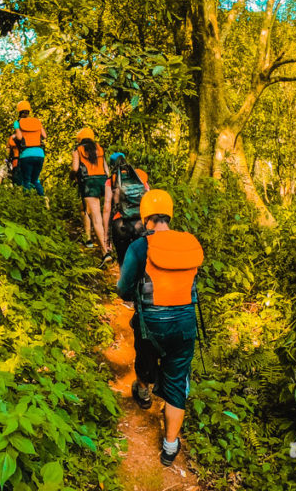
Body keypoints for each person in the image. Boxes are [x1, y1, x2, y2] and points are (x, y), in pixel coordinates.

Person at [116, 189, 204, 467]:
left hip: (151, 324)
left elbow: (123, 288)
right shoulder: (189, 243)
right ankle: (170, 447)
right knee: (177, 381)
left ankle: (143, 392)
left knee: (144, 358)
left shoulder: (140, 247)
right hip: (186, 324)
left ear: (144, 217)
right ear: (170, 214)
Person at [102, 153, 149, 264]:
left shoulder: (111, 180)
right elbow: (149, 200)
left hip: (120, 224)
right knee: (142, 261)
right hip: (140, 223)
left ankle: (125, 279)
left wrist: (106, 237)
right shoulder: (139, 177)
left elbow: (107, 208)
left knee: (123, 263)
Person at [71, 128, 110, 258]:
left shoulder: (78, 150)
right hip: (103, 182)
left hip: (89, 183)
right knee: (96, 210)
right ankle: (94, 240)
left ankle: (105, 252)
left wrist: (72, 177)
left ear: (79, 139)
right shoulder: (99, 148)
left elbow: (75, 168)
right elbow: (106, 170)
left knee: (96, 217)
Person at [11, 101, 46, 196]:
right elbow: (44, 135)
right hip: (40, 154)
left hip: (26, 155)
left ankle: (27, 200)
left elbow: (19, 137)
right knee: (35, 180)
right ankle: (43, 199)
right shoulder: (37, 121)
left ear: (19, 111)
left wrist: (15, 136)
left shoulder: (17, 122)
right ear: (29, 110)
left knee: (26, 180)